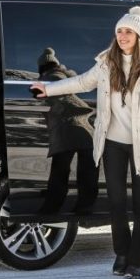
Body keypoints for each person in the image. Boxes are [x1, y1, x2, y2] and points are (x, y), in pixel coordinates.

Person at [31, 6, 140, 279]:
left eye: (128, 31)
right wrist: (49, 88)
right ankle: (121, 253)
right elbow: (82, 82)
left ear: (138, 35)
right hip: (113, 142)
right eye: (119, 31)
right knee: (117, 203)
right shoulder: (107, 63)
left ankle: (138, 261)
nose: (122, 36)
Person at [35, 47, 98, 215]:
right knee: (87, 171)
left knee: (60, 170)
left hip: (66, 129)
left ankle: (51, 206)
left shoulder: (50, 78)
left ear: (42, 67)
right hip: (86, 129)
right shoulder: (71, 78)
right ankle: (85, 206)